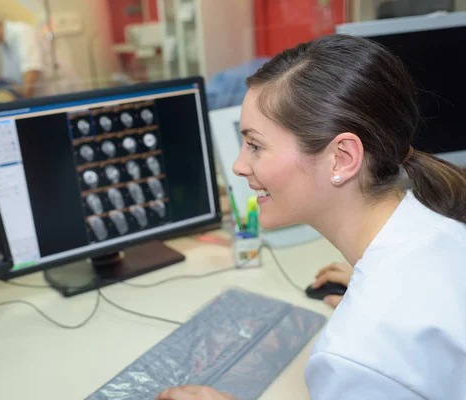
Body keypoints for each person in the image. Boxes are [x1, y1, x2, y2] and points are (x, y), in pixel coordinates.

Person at [157, 34, 466, 400]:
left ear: (342, 158)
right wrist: (374, 284)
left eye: (255, 145)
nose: (240, 166)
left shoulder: (353, 355)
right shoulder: (441, 231)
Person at [0, 12, 80, 98]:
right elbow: (12, 80)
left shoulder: (22, 33)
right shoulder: (3, 43)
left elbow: (30, 76)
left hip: (58, 91)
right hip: (42, 94)